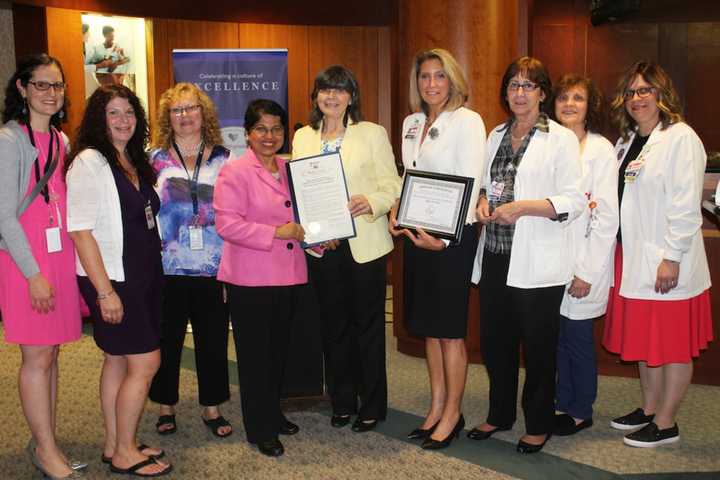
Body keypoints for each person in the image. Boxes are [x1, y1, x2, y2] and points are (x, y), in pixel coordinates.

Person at [470, 56, 585, 454]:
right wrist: (483, 202)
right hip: (497, 254)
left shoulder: (561, 138)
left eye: (528, 85)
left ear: (542, 93)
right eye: (513, 85)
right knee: (496, 343)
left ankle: (537, 422)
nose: (520, 93)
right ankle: (499, 414)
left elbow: (573, 200)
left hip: (537, 261)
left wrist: (524, 207)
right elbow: (486, 186)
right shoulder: (495, 134)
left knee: (537, 347)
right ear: (506, 92)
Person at [603, 60, 712, 448]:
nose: (638, 98)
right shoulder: (627, 141)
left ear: (662, 95)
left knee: (672, 344)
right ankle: (648, 409)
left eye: (646, 90)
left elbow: (685, 205)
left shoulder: (681, 138)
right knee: (647, 342)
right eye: (632, 92)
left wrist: (672, 256)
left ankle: (666, 424)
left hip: (666, 260)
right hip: (631, 258)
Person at [66, 84, 171, 476]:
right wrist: (105, 292)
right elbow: (80, 232)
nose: (124, 120)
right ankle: (127, 451)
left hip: (142, 276)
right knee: (145, 363)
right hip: (114, 281)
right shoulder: (89, 162)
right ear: (99, 118)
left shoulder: (131, 159)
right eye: (114, 113)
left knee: (116, 360)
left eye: (129, 112)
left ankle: (115, 443)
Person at [292, 66, 401, 433]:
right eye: (325, 89)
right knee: (333, 328)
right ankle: (341, 401)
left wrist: (369, 201)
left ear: (352, 96)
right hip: (324, 248)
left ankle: (371, 404)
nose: (332, 96)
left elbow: (393, 185)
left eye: (340, 89)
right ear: (316, 96)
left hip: (364, 246)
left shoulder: (371, 134)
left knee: (367, 328)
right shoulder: (304, 137)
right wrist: (315, 231)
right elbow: (299, 192)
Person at [391, 48, 485, 450]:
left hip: (451, 239)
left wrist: (443, 239)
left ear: (453, 80)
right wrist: (398, 207)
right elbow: (409, 175)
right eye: (425, 76)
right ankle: (435, 407)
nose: (431, 84)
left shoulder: (468, 122)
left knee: (449, 332)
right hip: (417, 235)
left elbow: (470, 179)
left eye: (439, 76)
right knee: (429, 328)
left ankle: (453, 413)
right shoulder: (412, 122)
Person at [0, 54, 85, 479]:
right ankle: (47, 450)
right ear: (22, 89)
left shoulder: (62, 141)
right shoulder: (9, 140)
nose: (51, 94)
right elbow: (3, 216)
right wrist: (33, 274)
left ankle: (44, 442)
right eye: (41, 85)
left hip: (58, 259)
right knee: (36, 357)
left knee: (51, 355)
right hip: (24, 262)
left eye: (57, 86)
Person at [213, 99, 305, 457]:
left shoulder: (291, 168)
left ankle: (273, 412)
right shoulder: (234, 172)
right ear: (248, 134)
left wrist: (319, 235)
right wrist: (277, 232)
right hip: (250, 279)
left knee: (278, 353)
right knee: (255, 358)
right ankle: (260, 427)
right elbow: (228, 225)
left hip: (289, 275)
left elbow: (304, 218)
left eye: (277, 128)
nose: (270, 136)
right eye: (262, 129)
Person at [148, 82, 233, 439]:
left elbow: (232, 214)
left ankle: (211, 406)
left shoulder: (224, 159)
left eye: (191, 108)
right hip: (166, 265)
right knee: (166, 338)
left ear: (204, 114)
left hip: (212, 264)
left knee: (212, 337)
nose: (184, 116)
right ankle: (166, 405)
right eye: (177, 110)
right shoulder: (153, 159)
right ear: (168, 117)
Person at [551, 74, 619, 436]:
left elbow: (607, 216)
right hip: (552, 261)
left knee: (577, 337)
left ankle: (581, 409)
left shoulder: (601, 150)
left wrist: (587, 272)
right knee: (558, 337)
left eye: (578, 98)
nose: (569, 104)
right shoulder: (551, 143)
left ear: (589, 106)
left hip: (585, 263)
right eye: (563, 97)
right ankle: (561, 402)